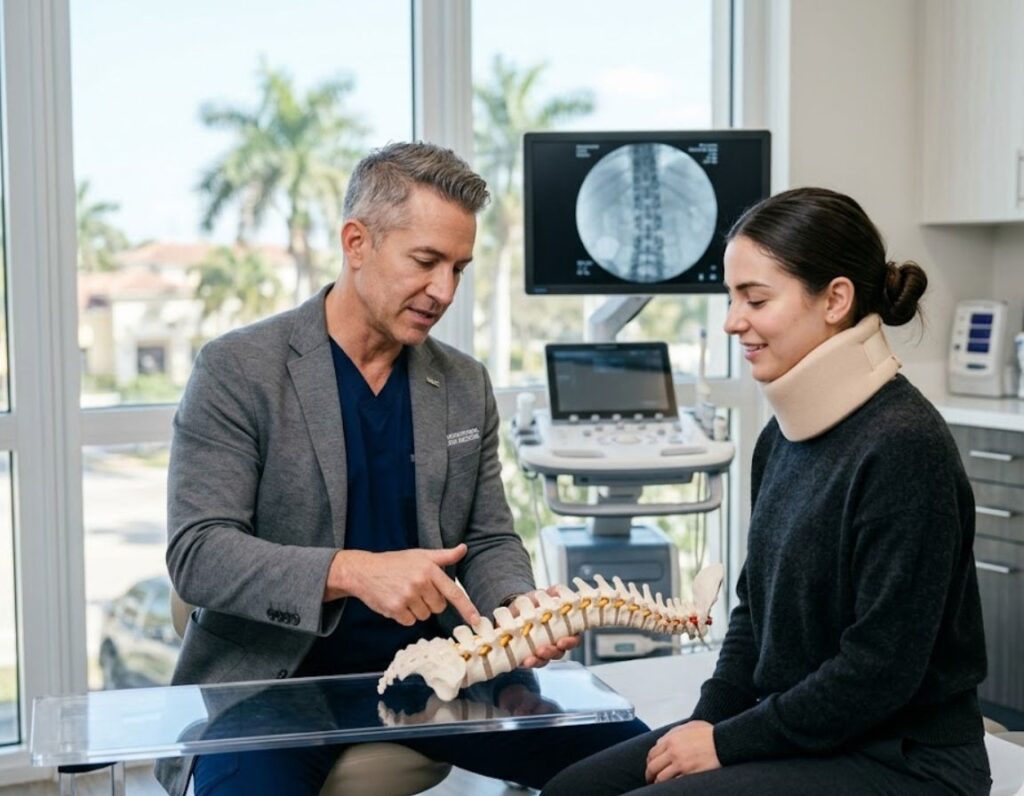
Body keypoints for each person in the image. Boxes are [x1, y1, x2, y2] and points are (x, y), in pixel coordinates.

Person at [155, 142, 647, 796]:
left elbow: (489, 537)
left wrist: (515, 608)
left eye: (458, 268)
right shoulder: (238, 370)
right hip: (276, 687)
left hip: (443, 672)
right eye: (425, 261)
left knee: (644, 764)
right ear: (356, 243)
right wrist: (355, 571)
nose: (444, 291)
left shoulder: (464, 383)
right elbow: (199, 554)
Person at [542, 187, 992, 796]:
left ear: (835, 299)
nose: (733, 321)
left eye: (754, 299)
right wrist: (707, 721)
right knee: (571, 790)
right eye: (731, 298)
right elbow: (753, 613)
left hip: (906, 759)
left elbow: (880, 670)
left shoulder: (905, 448)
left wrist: (726, 745)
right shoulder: (781, 438)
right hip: (806, 732)